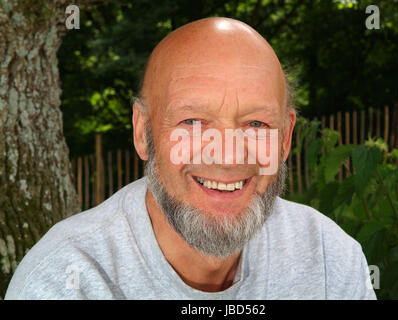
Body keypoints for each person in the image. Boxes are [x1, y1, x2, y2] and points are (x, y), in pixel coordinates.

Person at [5, 17, 376, 299]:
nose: (228, 155)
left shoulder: (332, 260)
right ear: (142, 132)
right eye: (194, 121)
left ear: (285, 139)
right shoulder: (67, 280)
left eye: (256, 123)